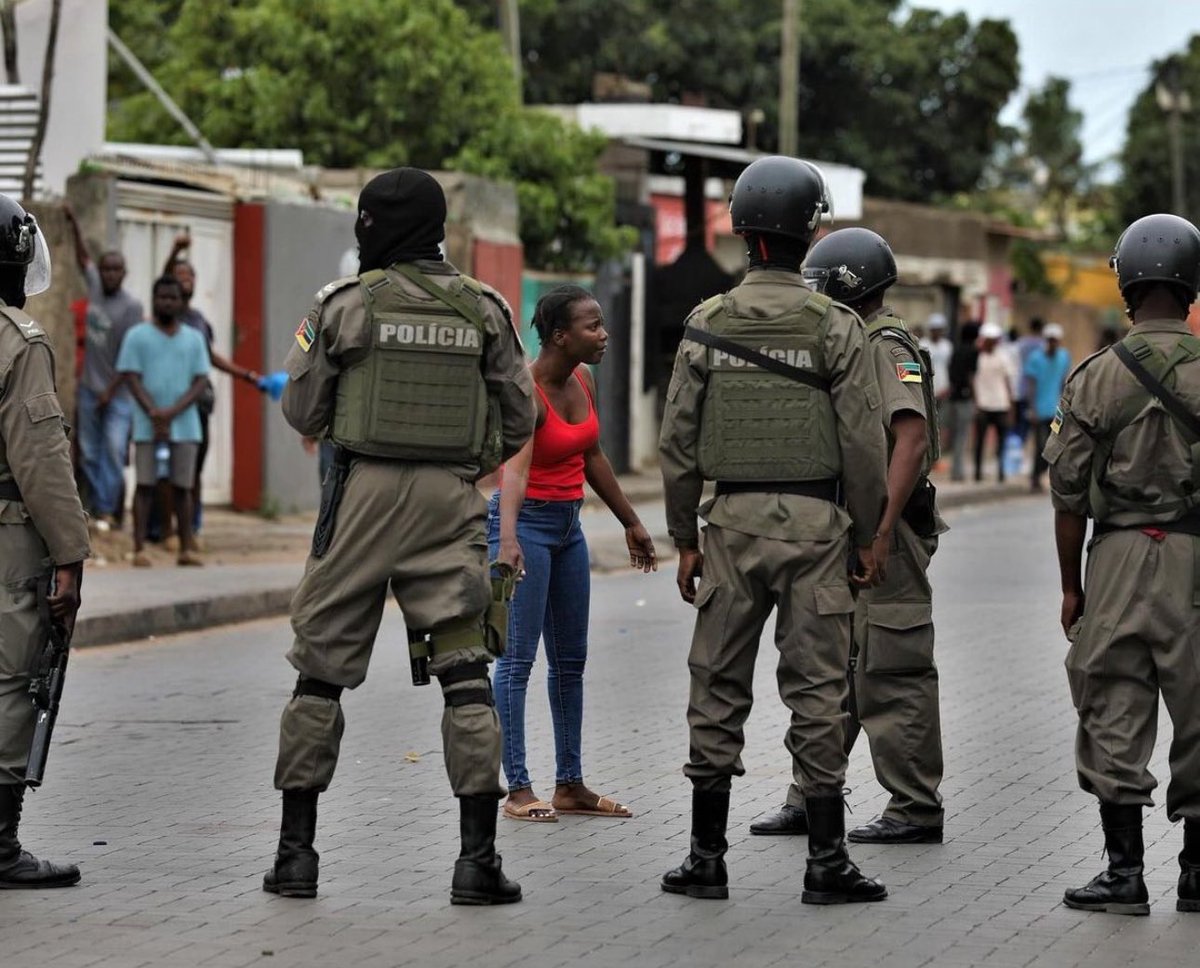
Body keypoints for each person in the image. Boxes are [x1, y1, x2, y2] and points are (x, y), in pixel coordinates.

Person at [263, 167, 535, 905]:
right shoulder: (485, 309)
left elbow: (301, 410)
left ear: (370, 229)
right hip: (449, 502)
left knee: (319, 672)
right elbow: (520, 416)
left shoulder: (345, 306)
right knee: (466, 672)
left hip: (359, 498)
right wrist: (462, 468)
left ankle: (296, 858)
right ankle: (476, 864)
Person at [658, 156, 890, 904]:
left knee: (716, 684)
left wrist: (684, 537)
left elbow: (677, 443)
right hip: (818, 527)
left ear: (740, 228)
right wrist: (865, 535)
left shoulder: (707, 321)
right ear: (813, 229)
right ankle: (826, 863)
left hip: (728, 525)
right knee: (819, 688)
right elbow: (863, 441)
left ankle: (705, 859)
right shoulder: (838, 326)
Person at [752, 227, 947, 844]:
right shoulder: (846, 338)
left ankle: (915, 805)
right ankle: (810, 794)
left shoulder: (885, 344)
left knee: (893, 666)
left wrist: (882, 530)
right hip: (848, 527)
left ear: (846, 284)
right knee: (830, 664)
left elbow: (909, 437)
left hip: (884, 531)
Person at [1046, 213, 1200, 917]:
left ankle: (1124, 873)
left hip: (1114, 555)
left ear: (1126, 287)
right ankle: (1197, 873)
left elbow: (1068, 492)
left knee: (1112, 702)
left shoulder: (1096, 377)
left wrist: (1072, 588)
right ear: (1191, 289)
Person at [489, 285, 656, 823]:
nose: (604, 335)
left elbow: (593, 455)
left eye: (603, 324)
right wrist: (508, 539)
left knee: (570, 664)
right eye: (592, 326)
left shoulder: (582, 379)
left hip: (567, 529)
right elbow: (512, 471)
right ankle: (517, 787)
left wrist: (631, 520)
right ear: (560, 337)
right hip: (526, 526)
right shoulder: (526, 391)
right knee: (515, 663)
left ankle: (570, 784)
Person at [0, 194, 90, 887]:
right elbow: (41, 461)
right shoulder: (18, 342)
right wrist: (71, 553)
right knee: (11, 679)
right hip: (7, 538)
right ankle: (0, 847)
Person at [160, 236, 262, 541]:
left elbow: (211, 357)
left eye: (190, 275)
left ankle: (192, 528)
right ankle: (165, 531)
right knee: (167, 472)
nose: (185, 280)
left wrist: (247, 375)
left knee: (194, 471)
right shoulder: (169, 316)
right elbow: (165, 279)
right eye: (180, 276)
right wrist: (175, 251)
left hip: (198, 404)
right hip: (169, 403)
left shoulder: (198, 320)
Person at [116, 276, 210, 567]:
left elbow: (200, 380)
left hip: (184, 425)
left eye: (173, 298)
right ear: (154, 300)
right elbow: (130, 376)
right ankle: (139, 548)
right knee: (145, 485)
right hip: (147, 425)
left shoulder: (194, 338)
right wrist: (153, 411)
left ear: (182, 302)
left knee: (182, 487)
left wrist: (170, 412)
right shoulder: (137, 336)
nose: (167, 302)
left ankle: (185, 548)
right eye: (162, 297)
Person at [63, 205, 143, 530]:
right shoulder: (94, 285)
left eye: (115, 270)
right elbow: (84, 259)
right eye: (106, 268)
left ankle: (109, 509)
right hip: (89, 387)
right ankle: (99, 509)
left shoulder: (131, 307)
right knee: (90, 452)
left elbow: (129, 357)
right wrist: (73, 224)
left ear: (123, 274)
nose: (109, 274)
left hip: (118, 394)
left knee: (113, 451)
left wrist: (110, 392)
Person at [1024, 322, 1071, 492]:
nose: (1052, 343)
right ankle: (1034, 477)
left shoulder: (1064, 357)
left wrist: (1065, 404)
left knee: (1055, 445)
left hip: (1056, 412)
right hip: (1039, 410)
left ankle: (1039, 475)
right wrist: (1032, 408)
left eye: (1055, 340)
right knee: (1041, 445)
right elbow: (1030, 385)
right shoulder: (1035, 358)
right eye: (1050, 340)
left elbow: (1063, 382)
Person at [972, 321, 1013, 482]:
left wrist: (1011, 406)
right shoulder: (978, 357)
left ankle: (1001, 471)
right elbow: (973, 381)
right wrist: (976, 402)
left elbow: (1008, 381)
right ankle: (977, 472)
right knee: (979, 441)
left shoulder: (1003, 357)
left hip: (1000, 404)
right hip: (983, 405)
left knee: (1001, 442)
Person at [947, 321, 978, 481]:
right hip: (965, 398)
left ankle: (955, 469)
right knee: (962, 435)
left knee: (955, 435)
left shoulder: (955, 350)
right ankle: (957, 472)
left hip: (954, 397)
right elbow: (971, 377)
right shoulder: (972, 352)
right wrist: (975, 397)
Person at [922, 313, 953, 454]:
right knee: (927, 423)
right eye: (934, 329)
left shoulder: (947, 346)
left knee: (942, 423)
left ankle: (940, 453)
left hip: (943, 390)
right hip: (927, 390)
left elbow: (950, 367)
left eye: (939, 329)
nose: (936, 332)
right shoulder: (922, 344)